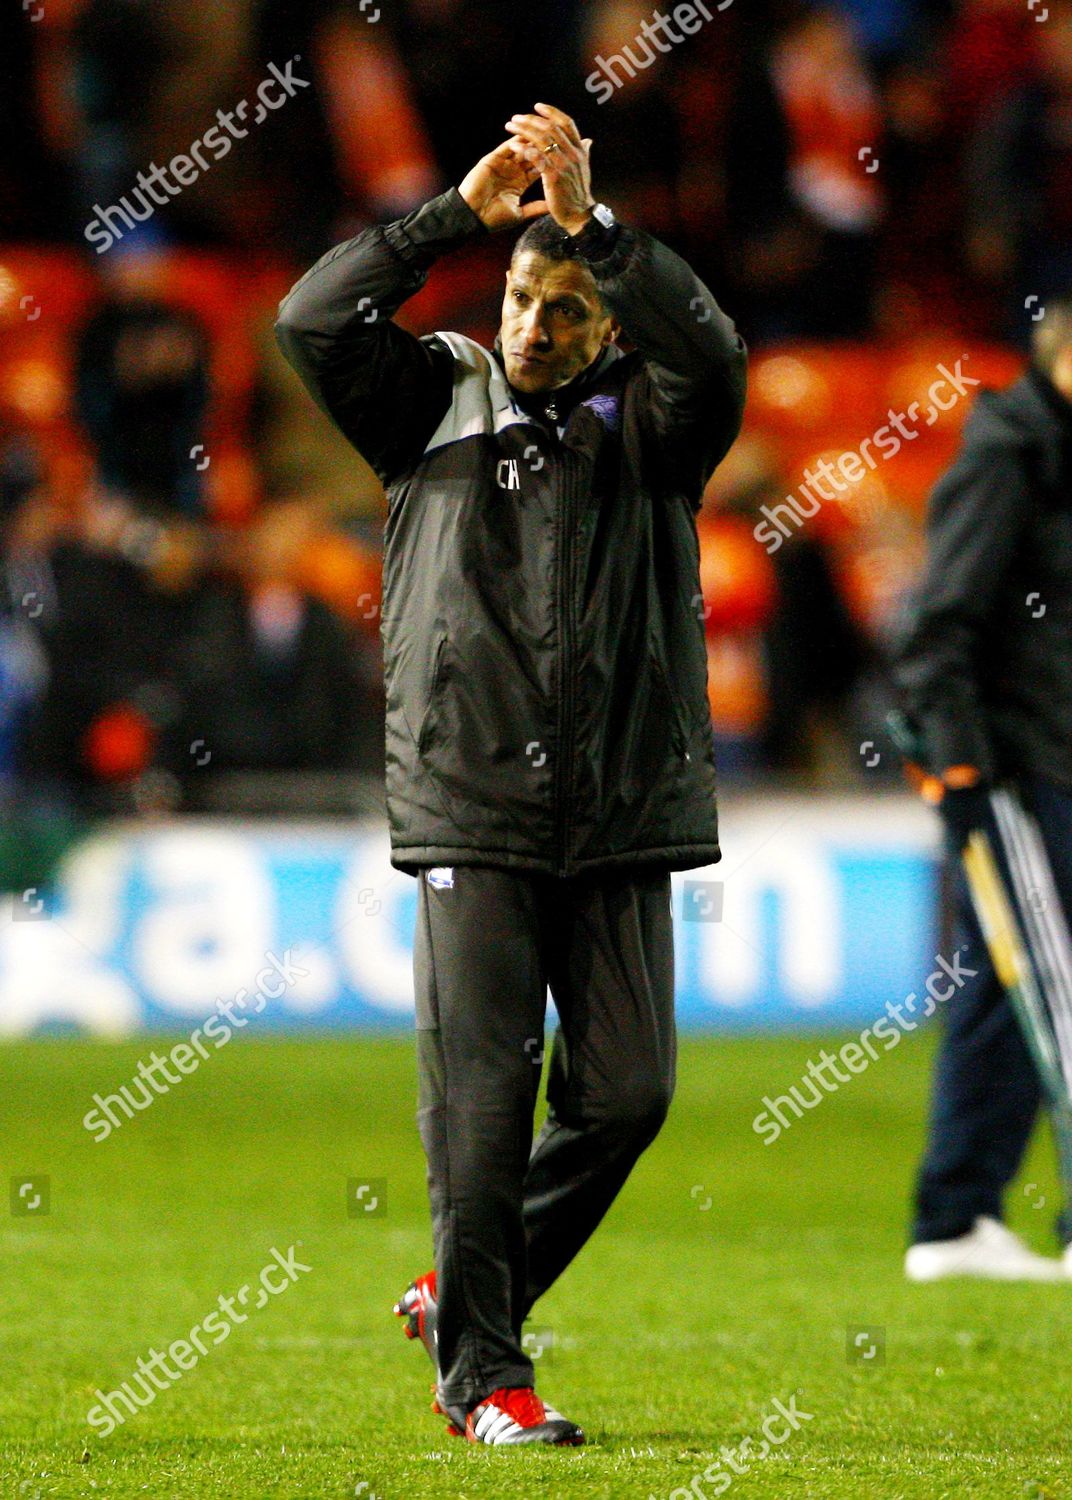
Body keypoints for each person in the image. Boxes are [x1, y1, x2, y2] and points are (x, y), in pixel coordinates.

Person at [276, 103, 746, 1443]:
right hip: (472, 806)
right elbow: (311, 322)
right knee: (479, 1107)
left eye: (572, 309)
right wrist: (445, 221)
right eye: (526, 297)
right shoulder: (426, 397)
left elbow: (713, 352)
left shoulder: (660, 431)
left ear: (612, 328)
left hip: (618, 813)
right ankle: (486, 1378)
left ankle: (467, 1294)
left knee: (628, 1095)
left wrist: (599, 225)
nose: (538, 328)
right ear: (501, 295)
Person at [893, 296, 1072, 1281]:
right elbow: (938, 623)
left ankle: (955, 1216)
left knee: (1010, 993)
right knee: (1056, 986)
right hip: (1010, 769)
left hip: (1047, 759)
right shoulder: (1007, 457)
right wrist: (959, 765)